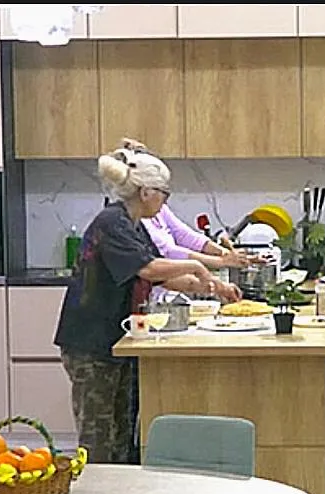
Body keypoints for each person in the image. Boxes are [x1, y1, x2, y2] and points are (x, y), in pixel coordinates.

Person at [54, 144, 241, 464]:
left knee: (124, 434)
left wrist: (213, 287)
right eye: (164, 193)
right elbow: (150, 269)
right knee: (99, 436)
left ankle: (122, 493)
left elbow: (161, 276)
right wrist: (197, 267)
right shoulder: (112, 222)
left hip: (121, 340)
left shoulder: (135, 224)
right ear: (145, 192)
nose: (165, 201)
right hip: (91, 343)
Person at [118, 138, 252, 271]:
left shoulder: (157, 209)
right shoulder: (130, 218)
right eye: (162, 190)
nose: (165, 198)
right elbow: (167, 251)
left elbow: (184, 235)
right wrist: (221, 261)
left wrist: (227, 254)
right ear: (145, 192)